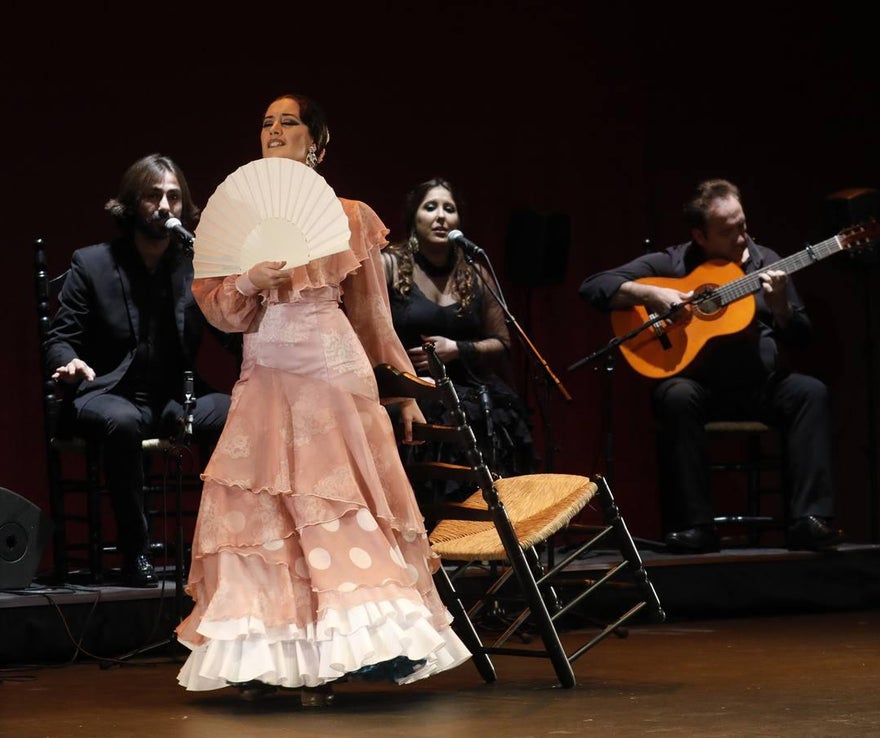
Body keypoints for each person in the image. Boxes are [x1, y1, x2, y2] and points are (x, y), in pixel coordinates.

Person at [175, 93, 470, 707]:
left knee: (330, 505)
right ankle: (267, 657)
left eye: (289, 123)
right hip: (265, 373)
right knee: (257, 511)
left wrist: (402, 391)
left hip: (332, 374)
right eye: (265, 123)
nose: (274, 131)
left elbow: (371, 315)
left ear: (318, 143)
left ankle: (345, 654)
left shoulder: (351, 217)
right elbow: (222, 312)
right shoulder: (239, 220)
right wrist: (251, 280)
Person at [578, 178, 844, 554]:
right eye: (728, 231)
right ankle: (695, 527)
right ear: (700, 236)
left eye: (743, 226)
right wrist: (650, 292)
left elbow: (801, 338)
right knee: (674, 396)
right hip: (700, 389)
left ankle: (809, 521)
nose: (742, 238)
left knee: (810, 392)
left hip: (759, 387)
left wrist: (782, 306)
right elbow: (594, 287)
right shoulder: (673, 263)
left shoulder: (768, 262)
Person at [42, 153, 232, 587]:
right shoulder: (91, 264)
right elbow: (60, 338)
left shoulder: (194, 268)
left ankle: (222, 548)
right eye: (153, 196)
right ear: (131, 204)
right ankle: (135, 552)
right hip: (107, 394)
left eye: (174, 198)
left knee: (234, 411)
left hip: (172, 398)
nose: (164, 207)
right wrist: (67, 363)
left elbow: (227, 331)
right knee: (123, 422)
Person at [382, 177, 536, 504]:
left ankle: (490, 526)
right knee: (439, 410)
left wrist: (457, 349)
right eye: (431, 207)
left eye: (449, 209)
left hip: (468, 383)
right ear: (414, 217)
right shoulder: (390, 265)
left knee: (497, 409)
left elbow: (502, 342)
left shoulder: (475, 272)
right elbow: (368, 328)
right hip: (410, 385)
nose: (441, 216)